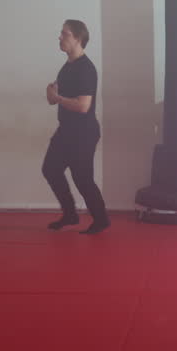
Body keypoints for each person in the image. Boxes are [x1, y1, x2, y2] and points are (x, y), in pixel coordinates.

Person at [43, 19, 110, 234]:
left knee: (82, 178)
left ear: (78, 38)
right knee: (50, 169)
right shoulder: (66, 68)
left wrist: (57, 97)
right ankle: (70, 214)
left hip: (84, 133)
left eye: (65, 34)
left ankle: (101, 220)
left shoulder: (86, 69)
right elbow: (54, 99)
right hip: (66, 131)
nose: (60, 37)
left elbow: (83, 106)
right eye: (61, 33)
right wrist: (51, 93)